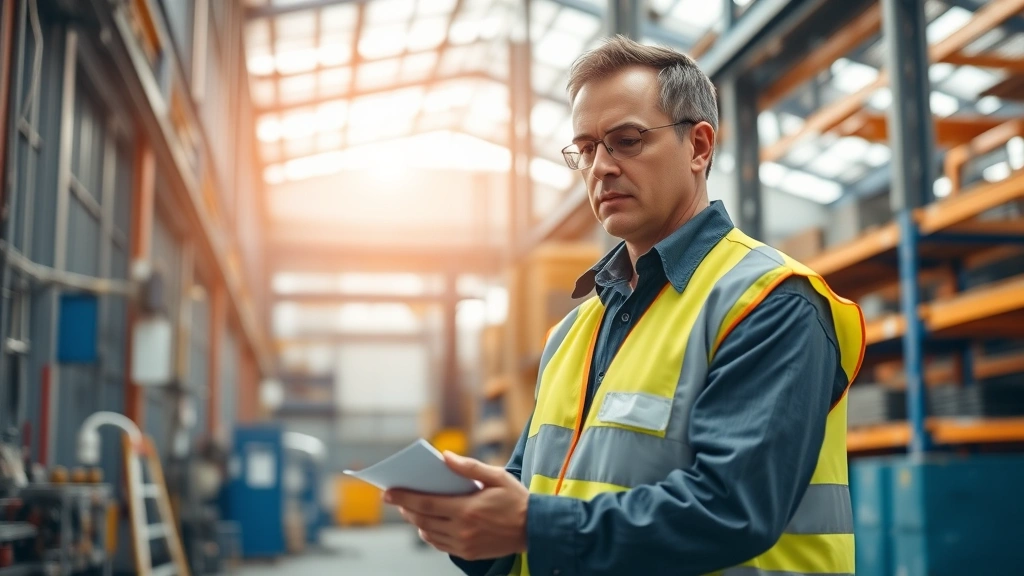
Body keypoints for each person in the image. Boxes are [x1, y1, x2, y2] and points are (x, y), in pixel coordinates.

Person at [386, 35, 865, 576]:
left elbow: (733, 507)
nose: (600, 167)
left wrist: (532, 525)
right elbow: (539, 499)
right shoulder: (572, 333)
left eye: (626, 141)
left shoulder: (770, 302)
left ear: (699, 147)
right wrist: (473, 524)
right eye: (586, 149)